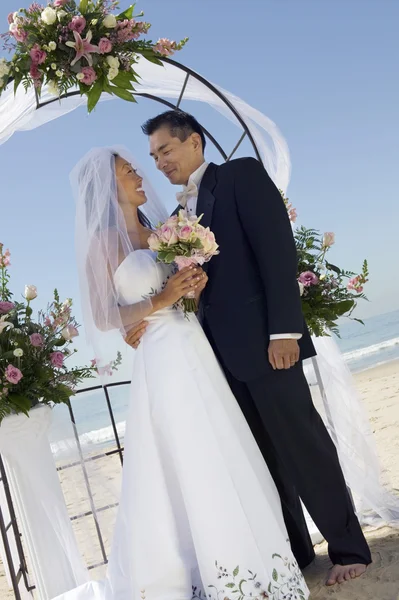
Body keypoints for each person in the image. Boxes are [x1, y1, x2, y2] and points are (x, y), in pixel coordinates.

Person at [125, 110, 372, 586]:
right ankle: (296, 554)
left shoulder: (240, 175)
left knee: (304, 445)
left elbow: (278, 250)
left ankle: (347, 548)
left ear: (194, 141)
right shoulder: (176, 218)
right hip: (215, 358)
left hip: (265, 343)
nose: (159, 162)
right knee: (260, 458)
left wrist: (285, 332)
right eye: (153, 156)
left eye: (166, 150)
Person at [64, 146, 310, 600]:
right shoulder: (103, 242)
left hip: (195, 345)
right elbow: (103, 315)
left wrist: (191, 288)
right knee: (188, 452)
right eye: (130, 172)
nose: (141, 175)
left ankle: (250, 562)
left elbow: (180, 294)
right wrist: (158, 301)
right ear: (105, 187)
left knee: (224, 443)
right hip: (162, 358)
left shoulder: (161, 231)